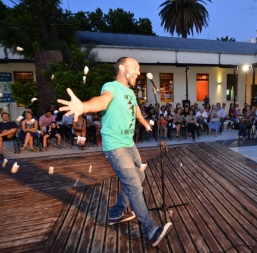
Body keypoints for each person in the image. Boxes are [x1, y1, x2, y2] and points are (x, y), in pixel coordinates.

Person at [58, 57, 172, 247]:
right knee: (135, 186)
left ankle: (115, 213)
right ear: (122, 68)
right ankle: (151, 230)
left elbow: (135, 111)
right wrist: (84, 106)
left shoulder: (130, 92)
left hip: (129, 144)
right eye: (135, 67)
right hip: (116, 146)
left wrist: (145, 123)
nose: (138, 71)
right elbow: (102, 101)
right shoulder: (111, 86)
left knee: (139, 178)